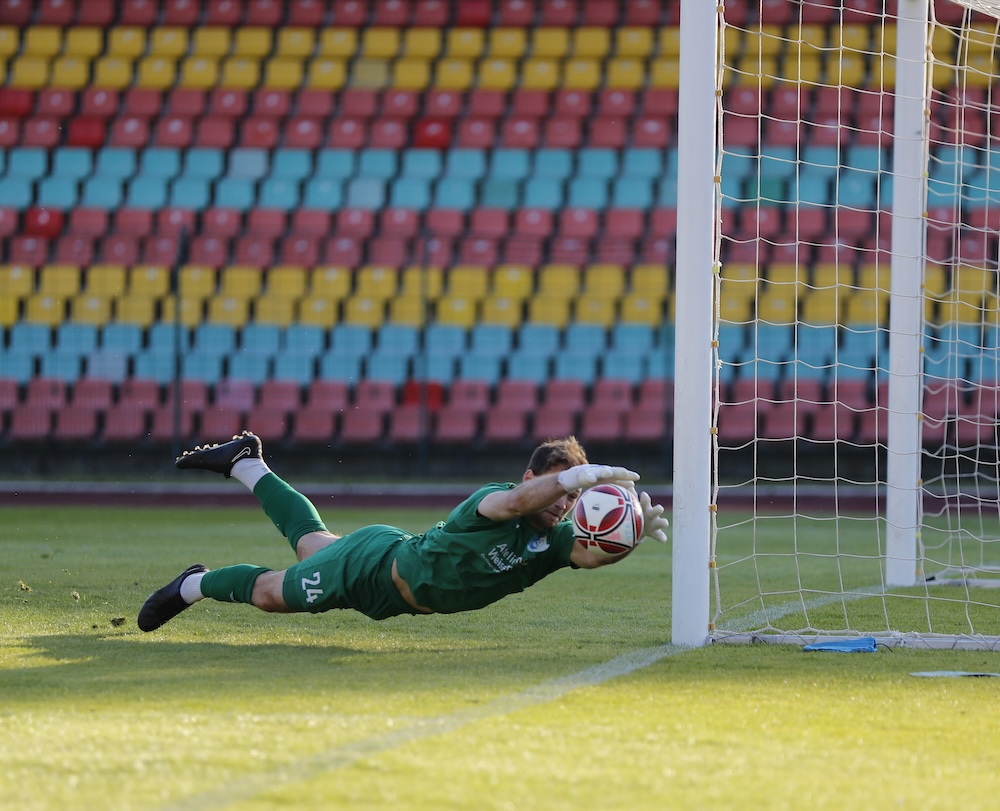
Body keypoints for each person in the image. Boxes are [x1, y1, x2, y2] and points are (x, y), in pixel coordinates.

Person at [138, 431, 669, 632]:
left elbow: (591, 556)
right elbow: (514, 502)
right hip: (372, 570)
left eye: (573, 499)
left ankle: (247, 464)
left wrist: (630, 536)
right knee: (272, 595)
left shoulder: (553, 542)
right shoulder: (494, 501)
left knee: (311, 545)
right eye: (559, 491)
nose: (565, 505)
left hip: (391, 583)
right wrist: (572, 479)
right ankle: (193, 585)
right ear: (532, 479)